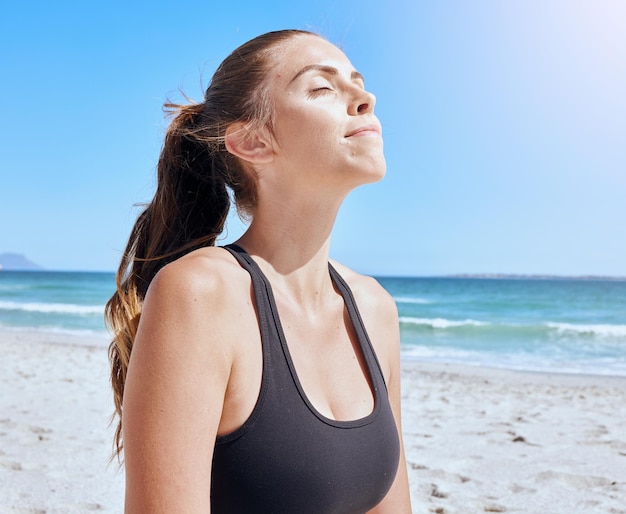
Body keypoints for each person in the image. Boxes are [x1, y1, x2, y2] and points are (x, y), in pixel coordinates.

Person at [105, 29, 412, 513]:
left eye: (359, 82)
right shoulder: (201, 293)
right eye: (323, 88)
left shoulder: (374, 308)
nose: (365, 97)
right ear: (253, 142)